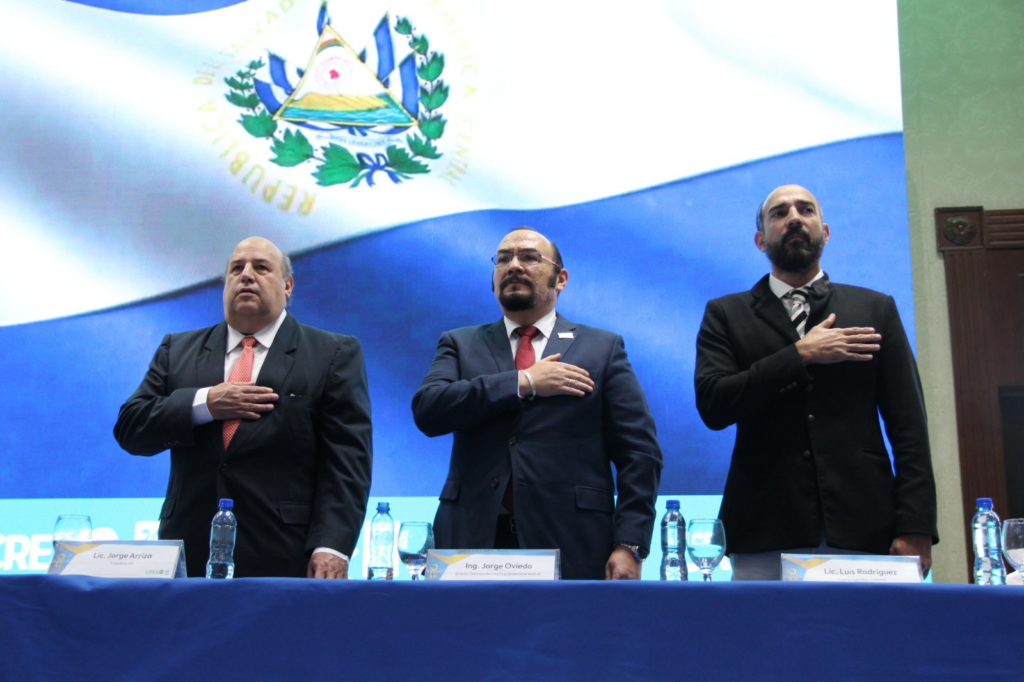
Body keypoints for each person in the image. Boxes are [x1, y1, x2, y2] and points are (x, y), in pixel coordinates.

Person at [694, 184, 939, 580]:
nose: (794, 217)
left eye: (805, 210)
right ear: (760, 240)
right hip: (763, 525)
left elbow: (909, 426)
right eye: (779, 213)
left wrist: (916, 525)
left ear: (825, 232)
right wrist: (799, 355)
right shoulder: (726, 313)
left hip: (865, 522)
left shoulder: (875, 308)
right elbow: (714, 405)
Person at [412, 227, 663, 580]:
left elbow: (639, 453)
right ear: (493, 280)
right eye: (503, 259)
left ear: (561, 279)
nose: (513, 265)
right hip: (469, 540)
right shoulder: (459, 343)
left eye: (529, 257)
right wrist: (524, 381)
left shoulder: (602, 348)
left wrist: (630, 543)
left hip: (574, 541)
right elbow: (429, 411)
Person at [114, 237, 372, 579]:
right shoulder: (177, 350)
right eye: (237, 268)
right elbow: (130, 428)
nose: (246, 275)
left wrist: (332, 546)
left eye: (261, 267)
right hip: (189, 553)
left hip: (286, 555)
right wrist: (204, 403)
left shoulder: (332, 353)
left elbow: (347, 461)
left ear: (288, 286)